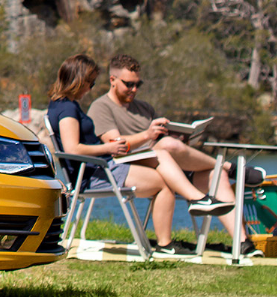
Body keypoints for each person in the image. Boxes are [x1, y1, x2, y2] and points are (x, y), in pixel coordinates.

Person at [48, 55, 235, 250]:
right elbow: (72, 149)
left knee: (162, 156)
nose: (91, 88)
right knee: (163, 184)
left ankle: (197, 201)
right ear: (78, 80)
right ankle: (170, 237)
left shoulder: (61, 105)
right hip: (96, 172)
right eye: (90, 82)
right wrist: (109, 148)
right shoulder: (67, 109)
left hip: (99, 168)